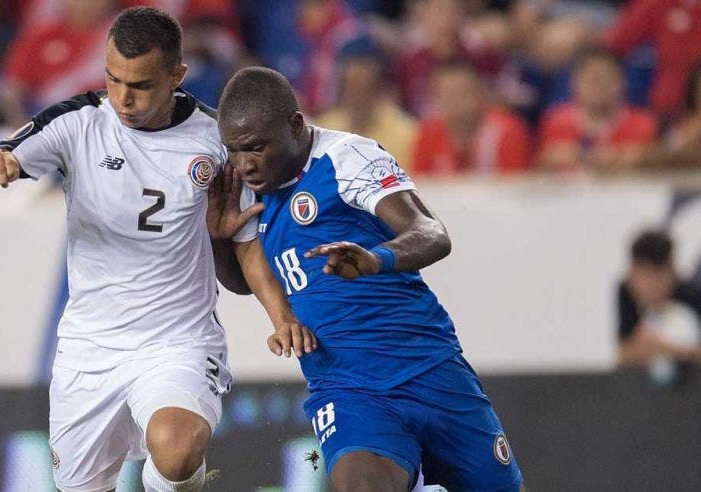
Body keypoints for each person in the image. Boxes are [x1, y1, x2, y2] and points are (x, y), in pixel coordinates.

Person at [0, 8, 315, 492]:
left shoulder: (215, 142)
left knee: (177, 446)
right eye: (114, 79)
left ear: (177, 76)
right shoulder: (75, 124)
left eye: (142, 85)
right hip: (89, 348)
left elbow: (246, 241)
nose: (123, 98)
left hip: (178, 342)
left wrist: (281, 318)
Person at [213, 66, 524, 492]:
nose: (244, 164)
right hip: (346, 386)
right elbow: (243, 282)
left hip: (430, 368)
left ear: (295, 125)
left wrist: (375, 260)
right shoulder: (244, 186)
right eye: (234, 150)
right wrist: (218, 241)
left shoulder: (346, 157)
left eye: (256, 148)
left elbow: (431, 233)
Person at [618, 229, 701, 368]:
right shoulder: (626, 293)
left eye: (658, 276)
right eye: (645, 276)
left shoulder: (694, 297)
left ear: (673, 272)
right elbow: (623, 354)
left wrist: (675, 352)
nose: (651, 286)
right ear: (631, 276)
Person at [536, 48, 657, 174]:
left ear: (622, 82)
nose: (601, 87)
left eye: (608, 79)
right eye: (594, 80)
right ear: (575, 84)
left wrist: (622, 158)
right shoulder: (556, 121)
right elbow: (539, 166)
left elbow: (648, 164)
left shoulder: (643, 123)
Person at [411, 62, 531, 176]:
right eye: (446, 95)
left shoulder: (508, 130)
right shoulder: (429, 133)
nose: (455, 102)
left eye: (462, 93)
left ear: (479, 93)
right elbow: (421, 184)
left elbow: (517, 186)